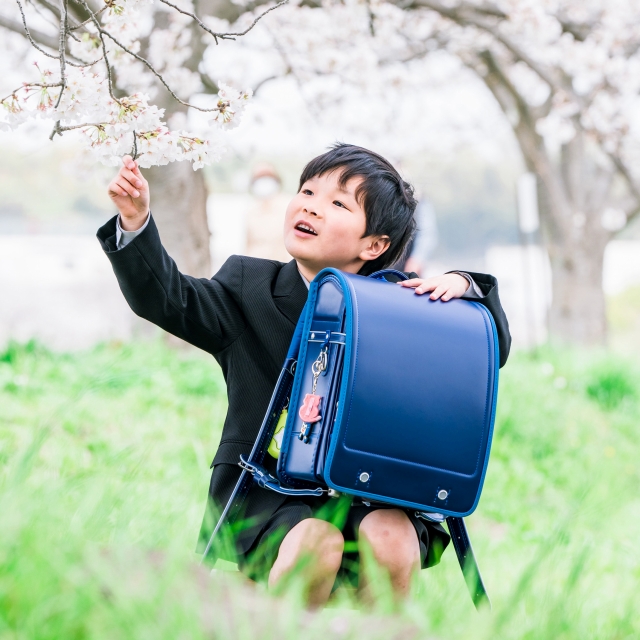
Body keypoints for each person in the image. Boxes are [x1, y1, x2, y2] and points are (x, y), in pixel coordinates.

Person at [99, 143, 511, 608]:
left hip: (371, 490)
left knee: (392, 536)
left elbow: (488, 351)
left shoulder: (398, 308)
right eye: (308, 191)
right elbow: (170, 300)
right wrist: (135, 222)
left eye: (338, 203)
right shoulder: (248, 287)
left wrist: (467, 287)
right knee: (316, 542)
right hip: (268, 491)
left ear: (374, 245)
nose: (312, 206)